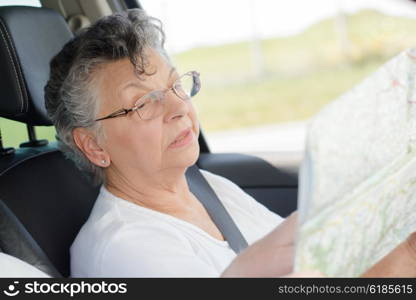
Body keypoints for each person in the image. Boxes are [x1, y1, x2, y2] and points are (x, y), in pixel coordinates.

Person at [44, 9, 416, 278]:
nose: (178, 106)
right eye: (143, 103)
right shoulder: (125, 250)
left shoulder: (209, 189)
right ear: (93, 146)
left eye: (175, 85)